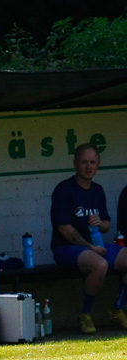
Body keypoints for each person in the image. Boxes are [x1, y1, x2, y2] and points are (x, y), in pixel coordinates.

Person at [50, 143, 127, 333]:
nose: (88, 166)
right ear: (75, 163)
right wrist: (91, 248)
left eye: (92, 162)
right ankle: (85, 315)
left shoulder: (98, 190)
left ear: (98, 164)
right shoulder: (64, 189)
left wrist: (100, 223)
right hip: (66, 249)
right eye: (84, 162)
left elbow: (108, 224)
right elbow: (64, 230)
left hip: (95, 247)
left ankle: (117, 308)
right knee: (99, 264)